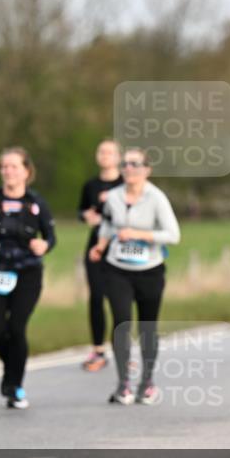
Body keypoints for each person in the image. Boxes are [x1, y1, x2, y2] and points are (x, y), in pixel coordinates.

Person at [88, 147, 180, 405]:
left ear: (146, 170)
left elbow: (173, 235)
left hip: (150, 270)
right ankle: (123, 385)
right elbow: (107, 224)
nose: (129, 168)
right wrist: (101, 245)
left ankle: (147, 382)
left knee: (147, 327)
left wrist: (139, 235)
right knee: (121, 324)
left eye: (135, 164)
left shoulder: (156, 198)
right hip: (117, 268)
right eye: (126, 164)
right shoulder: (113, 197)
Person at [0, 147, 57, 409]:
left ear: (26, 171)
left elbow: (51, 236)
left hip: (27, 273)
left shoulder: (36, 203)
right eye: (4, 167)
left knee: (17, 328)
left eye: (14, 166)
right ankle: (13, 367)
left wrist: (45, 246)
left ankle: (14, 385)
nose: (8, 171)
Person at [78, 139, 123, 372]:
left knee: (119, 299)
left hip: (121, 248)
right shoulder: (91, 185)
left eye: (109, 152)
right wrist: (87, 216)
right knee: (96, 297)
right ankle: (97, 349)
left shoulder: (126, 183)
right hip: (96, 247)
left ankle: (121, 348)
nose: (105, 156)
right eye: (101, 152)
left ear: (118, 157)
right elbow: (82, 210)